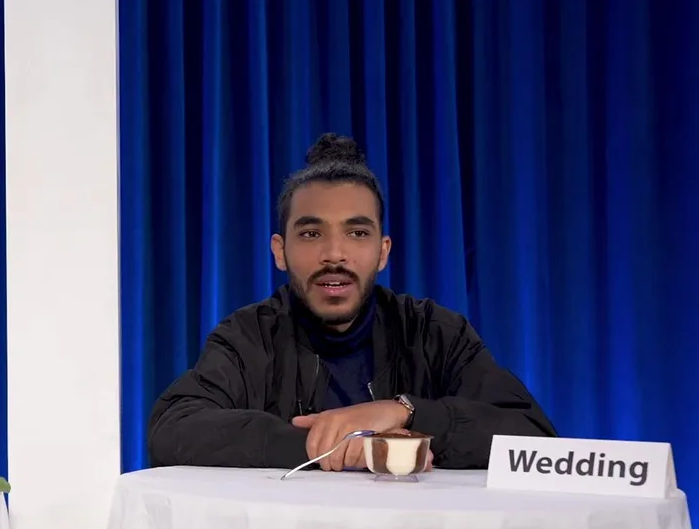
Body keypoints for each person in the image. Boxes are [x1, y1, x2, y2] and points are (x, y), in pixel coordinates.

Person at [148, 133, 557, 472]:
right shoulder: (249, 336)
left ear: (383, 251)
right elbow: (173, 428)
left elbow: (534, 439)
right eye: (311, 234)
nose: (334, 254)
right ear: (279, 251)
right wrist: (335, 445)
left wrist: (404, 412)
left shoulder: (435, 333)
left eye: (357, 233)